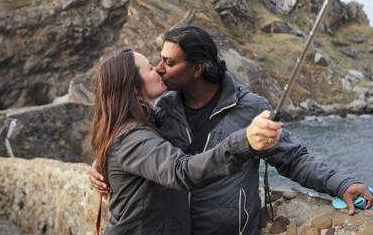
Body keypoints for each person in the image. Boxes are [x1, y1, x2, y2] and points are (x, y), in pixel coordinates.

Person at [91, 26, 373, 235]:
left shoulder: (250, 108)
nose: (161, 69)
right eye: (157, 62)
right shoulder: (164, 108)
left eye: (169, 62)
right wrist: (101, 164)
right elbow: (139, 150)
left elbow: (294, 158)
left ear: (198, 68)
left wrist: (340, 183)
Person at [90, 49, 283, 235]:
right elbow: (181, 170)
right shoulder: (131, 137)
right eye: (149, 68)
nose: (158, 69)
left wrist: (100, 163)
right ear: (133, 88)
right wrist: (244, 140)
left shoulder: (147, 123)